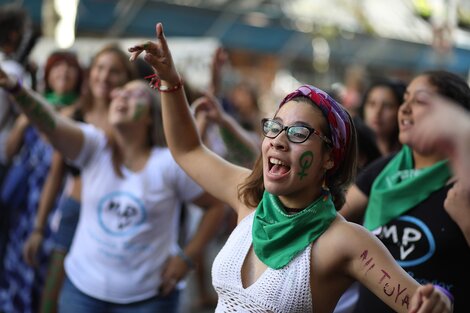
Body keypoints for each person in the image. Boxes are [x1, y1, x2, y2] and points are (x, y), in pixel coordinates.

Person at [128, 23, 453, 313]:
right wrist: (170, 82)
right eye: (274, 127)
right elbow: (187, 149)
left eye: (299, 133)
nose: (279, 141)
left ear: (329, 157)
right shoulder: (248, 198)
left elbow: (420, 303)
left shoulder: (342, 241)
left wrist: (440, 299)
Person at [0, 68, 225, 312]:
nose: (120, 95)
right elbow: (51, 123)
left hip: (149, 299)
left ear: (150, 116)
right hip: (82, 294)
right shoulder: (93, 147)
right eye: (119, 93)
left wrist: (187, 258)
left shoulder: (168, 165)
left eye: (134, 94)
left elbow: (216, 205)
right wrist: (16, 88)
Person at [340, 70, 470, 312]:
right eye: (405, 99)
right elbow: (331, 222)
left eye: (419, 101)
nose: (404, 109)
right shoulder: (383, 171)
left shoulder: (465, 183)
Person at [21, 45, 135, 313]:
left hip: (114, 220)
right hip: (73, 212)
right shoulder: (75, 115)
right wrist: (38, 228)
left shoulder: (132, 118)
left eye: (114, 71)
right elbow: (55, 174)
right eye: (99, 68)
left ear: (126, 78)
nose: (104, 76)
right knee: (52, 294)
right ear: (90, 72)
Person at [360, 79, 406, 156]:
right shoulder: (352, 152)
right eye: (372, 103)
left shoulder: (407, 155)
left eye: (387, 106)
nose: (377, 112)